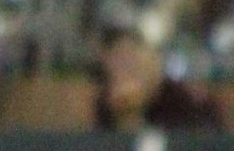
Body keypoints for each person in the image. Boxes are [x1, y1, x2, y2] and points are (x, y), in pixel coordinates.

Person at [92, 9, 223, 130]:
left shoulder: (188, 102)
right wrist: (127, 117)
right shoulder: (106, 104)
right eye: (115, 51)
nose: (124, 60)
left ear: (155, 57)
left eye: (134, 47)